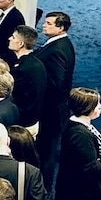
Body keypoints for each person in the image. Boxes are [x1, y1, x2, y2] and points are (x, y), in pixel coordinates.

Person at [32, 11, 76, 188]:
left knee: (46, 154)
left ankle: (43, 189)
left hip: (51, 110)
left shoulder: (58, 49)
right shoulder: (59, 44)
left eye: (49, 23)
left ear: (60, 28)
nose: (44, 25)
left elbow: (56, 83)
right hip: (53, 108)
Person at [8, 26, 46, 131]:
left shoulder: (22, 68)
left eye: (13, 37)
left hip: (22, 124)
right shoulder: (36, 62)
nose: (9, 38)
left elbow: (11, 92)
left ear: (21, 44)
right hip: (33, 120)